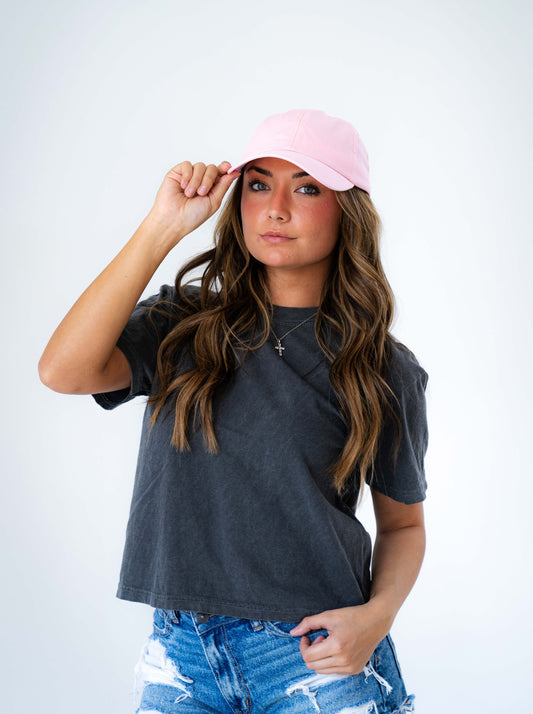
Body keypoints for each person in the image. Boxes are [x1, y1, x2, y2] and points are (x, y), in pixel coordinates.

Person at [39, 109, 428, 713]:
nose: (276, 209)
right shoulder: (183, 323)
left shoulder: (380, 367)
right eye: (258, 184)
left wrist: (376, 618)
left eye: (307, 188)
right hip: (181, 656)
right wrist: (162, 227)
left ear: (346, 209)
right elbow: (63, 371)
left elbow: (403, 525)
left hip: (316, 653)